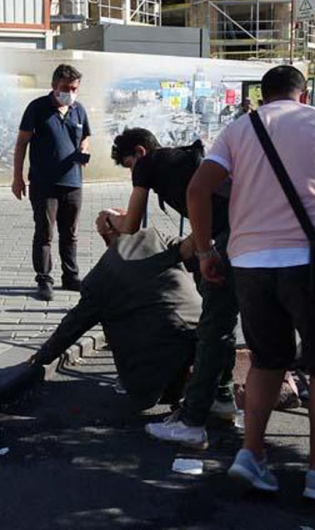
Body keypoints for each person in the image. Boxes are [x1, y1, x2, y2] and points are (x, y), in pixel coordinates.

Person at [187, 65, 315, 501]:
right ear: (303, 95)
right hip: (311, 264)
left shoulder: (238, 129)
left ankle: (251, 455)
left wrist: (206, 250)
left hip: (249, 263)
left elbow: (198, 189)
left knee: (267, 360)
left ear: (262, 98)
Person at [99, 128, 239, 449]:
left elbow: (131, 224)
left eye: (129, 164)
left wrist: (110, 219)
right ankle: (222, 394)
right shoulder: (180, 160)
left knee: (213, 323)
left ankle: (195, 416)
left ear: (139, 152)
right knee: (223, 318)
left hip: (228, 236)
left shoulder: (149, 164)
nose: (132, 172)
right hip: (238, 230)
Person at [29, 228, 200, 409]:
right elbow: (195, 251)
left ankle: (171, 387)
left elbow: (73, 325)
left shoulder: (101, 276)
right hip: (199, 330)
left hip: (154, 354)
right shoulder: (155, 237)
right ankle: (194, 387)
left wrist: (41, 357)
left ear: (106, 236)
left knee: (147, 384)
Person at [12, 64, 92, 302]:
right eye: (65, 87)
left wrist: (84, 148)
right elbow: (21, 143)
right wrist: (18, 178)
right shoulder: (37, 108)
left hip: (73, 182)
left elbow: (86, 136)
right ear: (54, 86)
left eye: (74, 88)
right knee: (45, 232)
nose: (70, 92)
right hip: (44, 183)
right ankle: (44, 280)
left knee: (71, 233)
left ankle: (71, 276)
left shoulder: (79, 110)